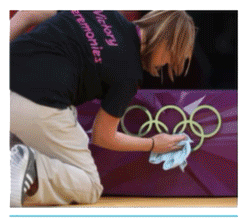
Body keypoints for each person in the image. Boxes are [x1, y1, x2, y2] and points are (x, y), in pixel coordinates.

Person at [10, 10, 196, 207]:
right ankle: (32, 168)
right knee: (89, 186)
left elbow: (26, 13)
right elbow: (103, 136)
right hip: (39, 104)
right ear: (168, 43)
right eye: (171, 56)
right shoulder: (129, 75)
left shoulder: (102, 11)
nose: (166, 64)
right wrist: (152, 143)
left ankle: (16, 161)